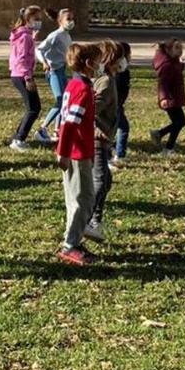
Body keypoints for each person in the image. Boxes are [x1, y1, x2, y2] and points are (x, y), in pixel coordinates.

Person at [54, 42, 102, 266]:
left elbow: (62, 119)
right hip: (76, 153)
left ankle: (74, 239)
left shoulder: (75, 84)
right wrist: (63, 152)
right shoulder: (82, 90)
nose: (100, 65)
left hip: (80, 150)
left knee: (80, 198)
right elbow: (70, 124)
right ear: (88, 63)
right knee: (82, 200)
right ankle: (70, 244)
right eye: (98, 61)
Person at [86, 40, 121, 242]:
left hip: (104, 137)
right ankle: (87, 220)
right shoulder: (105, 82)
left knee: (106, 180)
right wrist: (96, 129)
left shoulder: (108, 79)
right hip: (97, 138)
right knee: (99, 180)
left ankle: (96, 219)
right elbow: (92, 108)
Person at [8, 6, 45, 151]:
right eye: (36, 19)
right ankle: (18, 139)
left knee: (32, 107)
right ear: (27, 19)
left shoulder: (23, 35)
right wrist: (28, 78)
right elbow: (21, 58)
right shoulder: (24, 37)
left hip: (18, 74)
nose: (39, 22)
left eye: (40, 19)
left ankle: (18, 136)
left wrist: (33, 39)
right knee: (34, 108)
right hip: (22, 75)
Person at [36, 8, 75, 142]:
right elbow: (39, 49)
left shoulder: (67, 36)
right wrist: (45, 62)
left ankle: (57, 130)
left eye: (72, 19)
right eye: (68, 19)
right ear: (60, 21)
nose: (71, 22)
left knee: (65, 101)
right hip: (53, 71)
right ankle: (42, 129)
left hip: (62, 70)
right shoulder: (55, 35)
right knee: (60, 101)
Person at [150, 38, 185, 156]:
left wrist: (181, 65)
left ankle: (159, 134)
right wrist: (163, 98)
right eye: (177, 48)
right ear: (168, 49)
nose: (180, 51)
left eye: (181, 48)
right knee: (180, 121)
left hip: (174, 98)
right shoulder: (167, 65)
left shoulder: (173, 62)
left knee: (179, 122)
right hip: (170, 99)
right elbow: (163, 83)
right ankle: (168, 148)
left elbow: (175, 72)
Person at [111, 41, 132, 168]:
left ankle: (118, 153)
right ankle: (117, 154)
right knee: (119, 129)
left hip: (118, 104)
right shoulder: (118, 71)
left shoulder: (122, 71)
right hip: (114, 105)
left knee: (120, 128)